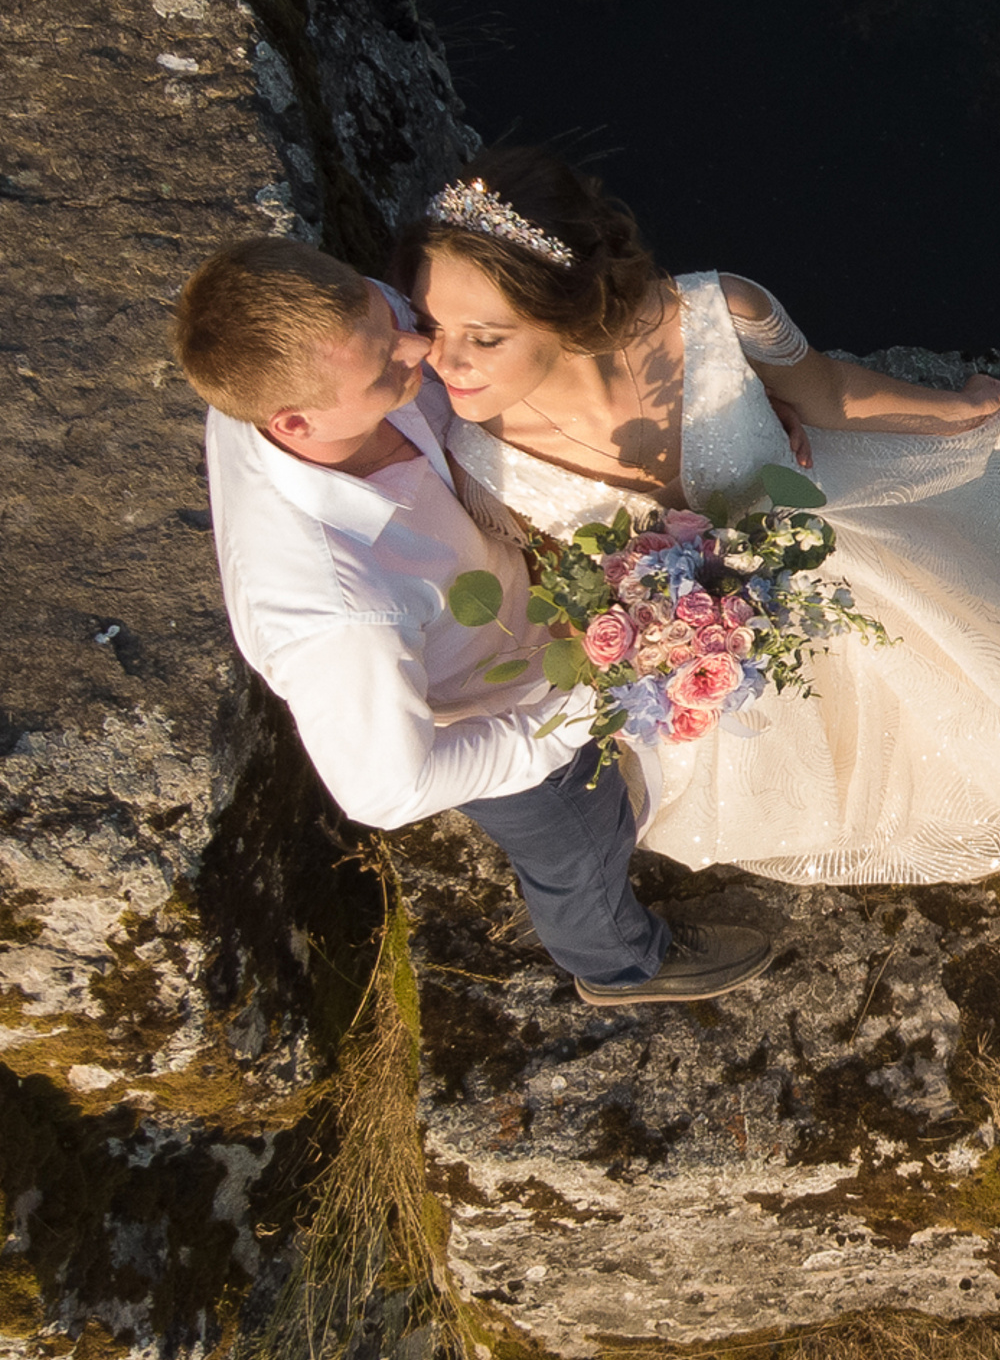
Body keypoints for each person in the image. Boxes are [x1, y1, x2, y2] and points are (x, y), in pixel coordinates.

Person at [394, 147, 1000, 891]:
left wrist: (964, 409)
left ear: (565, 310)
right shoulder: (477, 456)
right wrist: (648, 639)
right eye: (431, 328)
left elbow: (831, 393)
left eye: (484, 337)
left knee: (996, 731)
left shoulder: (721, 314)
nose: (444, 360)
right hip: (709, 672)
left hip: (843, 575)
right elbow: (555, 590)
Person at [170, 235, 776, 1008]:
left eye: (389, 317)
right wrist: (577, 714)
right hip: (494, 704)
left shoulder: (323, 345)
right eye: (385, 365)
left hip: (522, 599)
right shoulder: (338, 610)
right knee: (577, 843)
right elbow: (388, 791)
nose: (419, 347)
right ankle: (620, 965)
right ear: (293, 423)